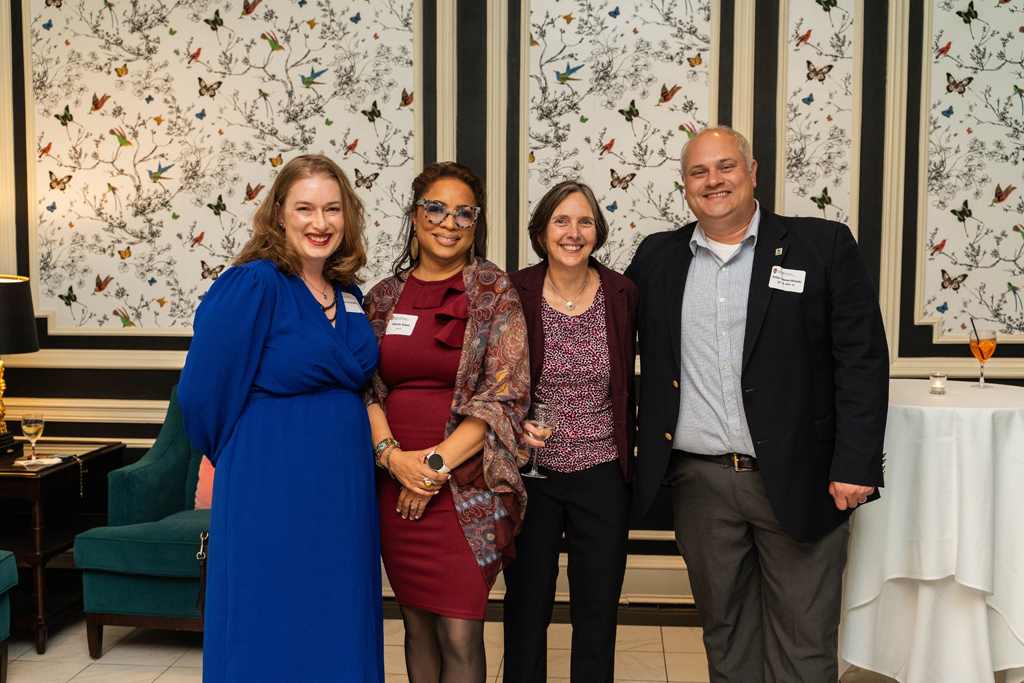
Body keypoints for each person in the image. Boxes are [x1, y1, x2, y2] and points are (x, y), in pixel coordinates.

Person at [624, 126, 889, 682]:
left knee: (803, 642)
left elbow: (862, 360)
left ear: (752, 171)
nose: (713, 181)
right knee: (727, 638)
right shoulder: (657, 258)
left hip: (800, 475)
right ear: (684, 184)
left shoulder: (823, 245)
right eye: (699, 172)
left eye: (725, 167)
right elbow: (601, 334)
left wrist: (855, 464)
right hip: (700, 486)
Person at [177, 155, 383, 682]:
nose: (321, 223)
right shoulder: (253, 284)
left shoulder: (350, 294)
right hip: (269, 484)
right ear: (278, 212)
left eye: (333, 209)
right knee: (268, 614)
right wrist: (251, 460)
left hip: (343, 492)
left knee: (338, 611)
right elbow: (201, 395)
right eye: (306, 208)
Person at [362, 161, 530, 683]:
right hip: (393, 485)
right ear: (415, 215)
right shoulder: (383, 297)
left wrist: (431, 468)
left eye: (464, 213)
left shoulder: (493, 289)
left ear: (475, 223)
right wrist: (394, 460)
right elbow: (363, 387)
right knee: (416, 625)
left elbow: (504, 391)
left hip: (466, 483)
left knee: (460, 632)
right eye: (436, 208)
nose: (449, 222)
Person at [502, 180, 638, 683]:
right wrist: (515, 429)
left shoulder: (623, 293)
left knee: (598, 607)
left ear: (597, 231)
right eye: (561, 220)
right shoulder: (514, 290)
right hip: (531, 472)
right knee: (527, 605)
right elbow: (488, 375)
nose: (573, 232)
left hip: (603, 471)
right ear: (541, 233)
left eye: (584, 221)